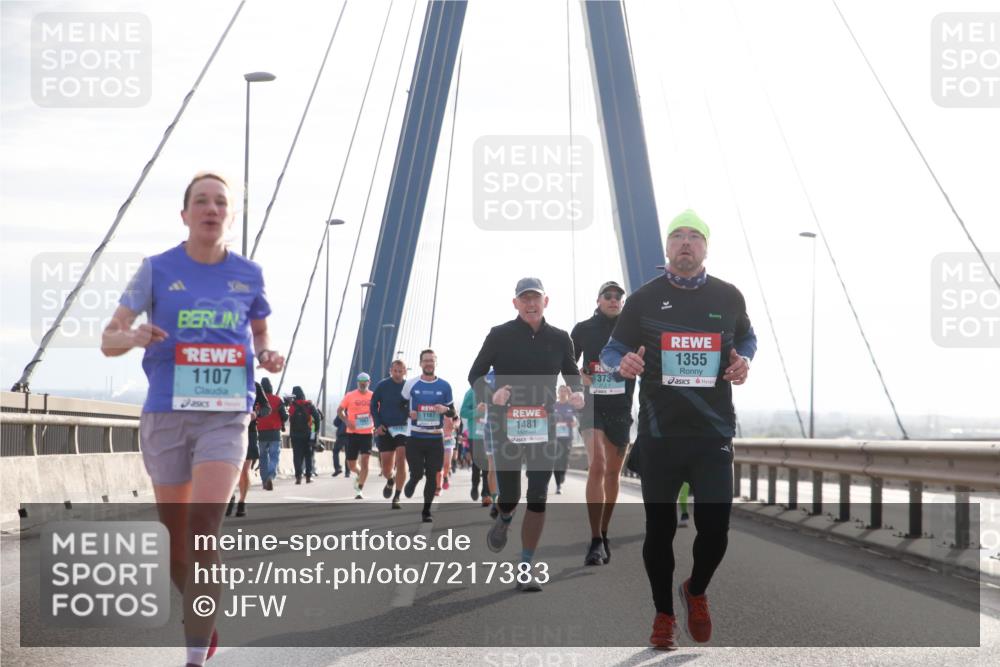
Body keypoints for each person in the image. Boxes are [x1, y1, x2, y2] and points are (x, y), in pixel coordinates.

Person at [100, 172, 285, 666]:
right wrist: (132, 335)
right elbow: (108, 339)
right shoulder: (156, 269)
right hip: (166, 413)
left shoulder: (248, 274)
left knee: (204, 527)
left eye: (220, 202)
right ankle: (202, 612)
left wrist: (267, 354)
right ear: (184, 215)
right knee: (176, 548)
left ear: (229, 215)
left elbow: (261, 331)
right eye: (200, 201)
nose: (210, 208)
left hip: (225, 416)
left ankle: (194, 655)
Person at [600, 209, 757, 649]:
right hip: (660, 434)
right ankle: (663, 615)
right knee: (659, 530)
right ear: (667, 248)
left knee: (715, 528)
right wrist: (621, 361)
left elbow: (747, 338)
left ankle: (696, 590)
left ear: (706, 247)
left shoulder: (729, 296)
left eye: (694, 236)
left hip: (712, 434)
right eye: (677, 236)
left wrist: (743, 360)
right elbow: (612, 349)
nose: (685, 243)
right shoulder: (644, 300)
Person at [469, 278, 584, 592]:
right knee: (509, 496)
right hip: (506, 425)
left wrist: (577, 394)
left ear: (546, 301)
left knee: (538, 496)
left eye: (536, 298)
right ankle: (504, 517)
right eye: (524, 299)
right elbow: (475, 373)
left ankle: (525, 566)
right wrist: (491, 393)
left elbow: (572, 373)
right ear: (515, 303)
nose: (531, 304)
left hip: (542, 426)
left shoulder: (561, 338)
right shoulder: (499, 335)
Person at [571, 280, 634, 566]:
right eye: (607, 296)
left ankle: (605, 532)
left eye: (617, 297)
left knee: (613, 475)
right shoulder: (583, 329)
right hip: (591, 406)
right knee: (597, 465)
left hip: (621, 407)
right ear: (598, 301)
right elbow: (566, 364)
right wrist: (577, 379)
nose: (613, 300)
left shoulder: (633, 329)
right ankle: (595, 539)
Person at [401, 349, 456, 522]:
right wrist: (409, 413)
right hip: (415, 437)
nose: (429, 363)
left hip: (435, 438)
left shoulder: (445, 386)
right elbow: (400, 406)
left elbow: (453, 412)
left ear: (436, 363)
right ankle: (413, 480)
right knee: (417, 473)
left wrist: (446, 410)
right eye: (425, 361)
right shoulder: (411, 384)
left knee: (433, 475)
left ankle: (426, 511)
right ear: (420, 363)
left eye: (431, 360)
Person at [226, 381, 270, 517]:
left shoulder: (255, 385)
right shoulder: (225, 379)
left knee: (244, 470)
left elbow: (267, 408)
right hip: (227, 431)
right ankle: (230, 496)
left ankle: (242, 502)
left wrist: (256, 414)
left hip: (249, 431)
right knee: (230, 469)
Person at [371, 359, 410, 509]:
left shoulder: (409, 386)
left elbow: (415, 404)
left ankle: (397, 496)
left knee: (401, 459)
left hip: (403, 429)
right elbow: (374, 405)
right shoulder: (382, 385)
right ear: (390, 371)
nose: (398, 373)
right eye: (395, 371)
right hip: (386, 429)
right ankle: (390, 479)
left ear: (405, 371)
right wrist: (378, 425)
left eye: (401, 371)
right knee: (386, 468)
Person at [338, 373, 375, 499]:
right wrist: (347, 421)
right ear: (357, 382)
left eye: (365, 382)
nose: (363, 384)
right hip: (352, 434)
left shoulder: (373, 396)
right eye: (360, 382)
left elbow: (379, 411)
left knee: (365, 461)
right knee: (351, 465)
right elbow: (340, 410)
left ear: (369, 382)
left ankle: (359, 489)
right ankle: (359, 473)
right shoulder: (350, 395)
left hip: (367, 434)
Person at [461, 385, 494, 507]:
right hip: (475, 435)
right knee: (477, 464)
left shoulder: (495, 391)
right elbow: (463, 412)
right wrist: (477, 411)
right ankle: (475, 485)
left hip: (490, 435)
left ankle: (486, 494)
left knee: (487, 464)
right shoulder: (471, 392)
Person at [256, 377, 286, 490]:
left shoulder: (258, 400)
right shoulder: (278, 400)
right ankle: (270, 476)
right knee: (274, 456)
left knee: (263, 457)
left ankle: (264, 481)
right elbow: (284, 416)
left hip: (261, 432)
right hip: (274, 433)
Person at [288, 386, 321, 484]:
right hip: (307, 434)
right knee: (308, 455)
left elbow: (287, 417)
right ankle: (308, 477)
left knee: (297, 456)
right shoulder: (309, 405)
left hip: (295, 435)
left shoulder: (292, 406)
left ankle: (298, 477)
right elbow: (317, 417)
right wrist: (316, 431)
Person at [551, 385, 577, 495]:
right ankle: (558, 485)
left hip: (567, 437)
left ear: (567, 393)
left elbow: (576, 420)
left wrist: (574, 423)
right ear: (558, 392)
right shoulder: (554, 406)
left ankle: (562, 474)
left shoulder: (571, 406)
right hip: (555, 438)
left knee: (564, 459)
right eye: (560, 391)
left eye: (564, 391)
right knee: (556, 460)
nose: (562, 393)